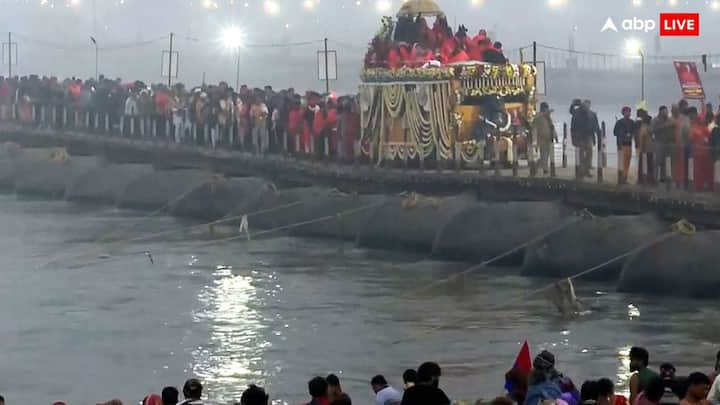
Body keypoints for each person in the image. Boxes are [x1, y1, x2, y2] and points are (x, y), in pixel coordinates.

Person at [688, 107, 714, 191]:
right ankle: (698, 186)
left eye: (703, 119)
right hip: (697, 154)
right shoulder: (694, 128)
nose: (703, 120)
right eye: (701, 119)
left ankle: (706, 185)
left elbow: (709, 139)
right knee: (698, 171)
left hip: (705, 154)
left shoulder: (705, 128)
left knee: (706, 171)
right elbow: (691, 138)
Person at [651, 106, 676, 183]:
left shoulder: (669, 120)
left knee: (666, 162)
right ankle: (654, 178)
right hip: (658, 142)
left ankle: (663, 178)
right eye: (664, 111)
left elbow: (673, 128)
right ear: (660, 112)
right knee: (657, 161)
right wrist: (664, 126)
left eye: (666, 111)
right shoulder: (655, 120)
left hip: (667, 143)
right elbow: (652, 130)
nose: (666, 113)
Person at [532, 101, 557, 175]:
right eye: (545, 108)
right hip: (541, 138)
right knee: (544, 155)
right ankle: (544, 169)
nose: (547, 110)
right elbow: (534, 129)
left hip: (549, 138)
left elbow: (552, 127)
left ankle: (537, 167)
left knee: (547, 155)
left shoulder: (548, 118)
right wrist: (534, 140)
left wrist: (555, 136)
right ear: (542, 109)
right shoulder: (538, 117)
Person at [614, 107, 636, 184]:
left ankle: (625, 178)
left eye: (629, 112)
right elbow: (615, 133)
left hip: (629, 145)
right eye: (626, 112)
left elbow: (634, 132)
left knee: (627, 163)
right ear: (623, 113)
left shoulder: (632, 122)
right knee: (621, 163)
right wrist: (620, 143)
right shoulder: (619, 122)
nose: (628, 113)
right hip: (621, 145)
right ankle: (620, 179)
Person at [636, 108, 655, 184]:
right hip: (647, 148)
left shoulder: (644, 127)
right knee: (648, 165)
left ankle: (644, 179)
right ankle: (646, 179)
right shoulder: (645, 126)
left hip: (645, 148)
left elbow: (643, 137)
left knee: (645, 165)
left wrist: (642, 148)